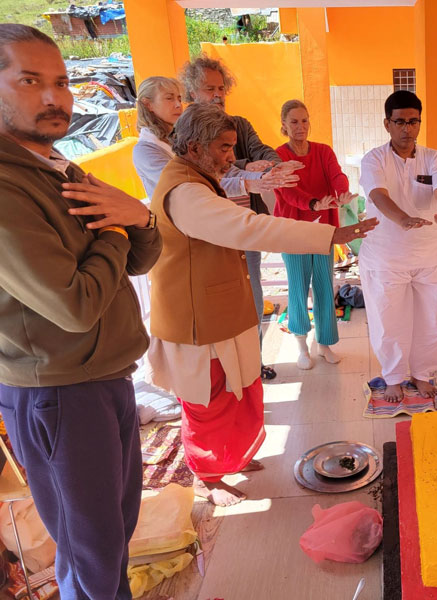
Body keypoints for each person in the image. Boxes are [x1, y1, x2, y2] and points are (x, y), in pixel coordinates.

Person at [0, 24, 161, 598]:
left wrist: (139, 219)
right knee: (90, 550)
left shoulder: (57, 167)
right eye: (29, 81)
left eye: (63, 82)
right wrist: (119, 227)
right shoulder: (9, 187)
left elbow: (141, 257)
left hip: (106, 375)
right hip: (60, 390)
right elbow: (75, 304)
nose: (54, 97)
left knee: (113, 535)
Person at [147, 103, 376, 505]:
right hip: (197, 320)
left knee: (240, 389)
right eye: (223, 148)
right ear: (195, 147)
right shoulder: (185, 191)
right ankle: (208, 476)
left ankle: (232, 457)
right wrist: (329, 235)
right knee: (208, 400)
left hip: (221, 309)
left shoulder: (200, 179)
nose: (231, 158)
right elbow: (249, 227)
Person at [180, 55, 302, 378]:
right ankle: (224, 373)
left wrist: (274, 166)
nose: (218, 95)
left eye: (221, 88)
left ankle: (253, 364)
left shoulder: (240, 124)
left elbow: (262, 151)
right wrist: (247, 167)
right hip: (207, 234)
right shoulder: (185, 132)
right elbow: (217, 169)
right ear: (192, 92)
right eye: (209, 89)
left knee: (253, 297)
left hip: (246, 229)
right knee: (218, 304)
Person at [359, 90, 437, 402]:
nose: (407, 128)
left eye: (413, 122)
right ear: (387, 124)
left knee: (433, 320)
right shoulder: (374, 159)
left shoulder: (433, 157)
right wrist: (402, 219)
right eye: (400, 122)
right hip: (385, 256)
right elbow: (378, 195)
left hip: (428, 254)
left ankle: (422, 374)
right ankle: (393, 378)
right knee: (389, 320)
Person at [274, 99, 356, 369]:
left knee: (323, 285)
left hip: (323, 229)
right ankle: (301, 345)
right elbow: (287, 191)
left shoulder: (323, 151)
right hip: (293, 230)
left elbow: (337, 175)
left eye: (304, 120)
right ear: (284, 125)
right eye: (294, 122)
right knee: (298, 287)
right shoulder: (279, 156)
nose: (301, 126)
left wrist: (342, 192)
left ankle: (324, 344)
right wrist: (312, 204)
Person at [132, 76, 285, 200]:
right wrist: (246, 184)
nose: (178, 104)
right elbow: (188, 185)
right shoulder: (145, 150)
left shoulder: (183, 137)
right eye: (169, 98)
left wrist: (266, 177)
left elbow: (226, 170)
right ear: (148, 104)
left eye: (179, 98)